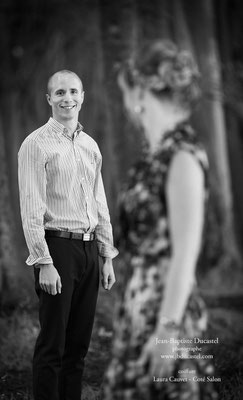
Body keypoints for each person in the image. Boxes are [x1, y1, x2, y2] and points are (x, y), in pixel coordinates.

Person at [103, 40, 218, 399]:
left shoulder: (182, 158)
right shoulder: (151, 159)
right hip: (136, 310)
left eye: (126, 92)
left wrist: (166, 333)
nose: (126, 105)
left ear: (141, 94)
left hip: (168, 312)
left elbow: (185, 252)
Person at [18, 69, 118, 400]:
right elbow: (31, 208)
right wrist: (43, 261)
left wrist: (106, 256)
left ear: (83, 97)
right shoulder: (35, 144)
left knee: (78, 349)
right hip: (57, 249)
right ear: (49, 99)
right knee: (53, 346)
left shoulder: (90, 145)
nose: (67, 98)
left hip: (89, 252)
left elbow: (98, 201)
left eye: (73, 92)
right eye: (59, 93)